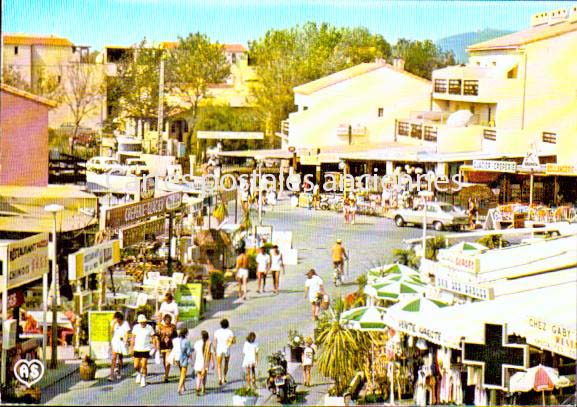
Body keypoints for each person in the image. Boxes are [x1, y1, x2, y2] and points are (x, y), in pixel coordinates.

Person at [130, 314, 156, 387]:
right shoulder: (136, 328)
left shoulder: (149, 328)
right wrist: (131, 348)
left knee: (144, 364)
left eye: (144, 322)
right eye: (141, 322)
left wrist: (154, 346)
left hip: (146, 349)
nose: (142, 323)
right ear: (139, 322)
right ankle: (139, 373)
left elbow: (153, 337)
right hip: (137, 348)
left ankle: (143, 378)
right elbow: (133, 338)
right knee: (136, 365)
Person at [156, 313, 177, 383]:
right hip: (162, 346)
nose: (167, 322)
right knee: (164, 361)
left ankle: (166, 376)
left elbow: (175, 337)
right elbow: (157, 337)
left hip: (170, 346)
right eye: (166, 320)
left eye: (169, 320)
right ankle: (166, 372)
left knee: (167, 361)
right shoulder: (160, 327)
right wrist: (157, 347)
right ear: (164, 320)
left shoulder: (173, 327)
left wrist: (176, 347)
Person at [214, 319, 236, 385]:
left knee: (219, 364)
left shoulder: (217, 332)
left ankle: (220, 378)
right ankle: (224, 377)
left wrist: (215, 350)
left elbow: (215, 342)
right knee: (226, 363)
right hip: (227, 349)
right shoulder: (230, 332)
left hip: (219, 349)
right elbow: (233, 341)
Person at [109, 312, 130, 381]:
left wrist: (126, 341)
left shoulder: (125, 323)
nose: (117, 320)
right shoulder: (114, 323)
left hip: (122, 341)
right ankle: (111, 374)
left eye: (118, 319)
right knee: (114, 357)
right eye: (116, 319)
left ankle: (119, 372)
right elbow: (111, 332)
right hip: (115, 340)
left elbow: (127, 333)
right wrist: (114, 324)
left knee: (120, 357)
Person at [193, 330, 214, 396]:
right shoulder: (209, 343)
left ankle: (197, 388)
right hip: (205, 362)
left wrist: (194, 362)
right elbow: (210, 354)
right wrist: (212, 362)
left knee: (198, 376)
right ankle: (203, 388)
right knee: (204, 376)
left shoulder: (197, 343)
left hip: (198, 361)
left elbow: (195, 353)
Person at [176, 327, 193, 396]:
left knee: (181, 372)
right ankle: (179, 388)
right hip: (184, 358)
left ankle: (183, 386)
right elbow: (188, 352)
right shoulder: (187, 341)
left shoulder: (178, 340)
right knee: (183, 374)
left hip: (178, 358)